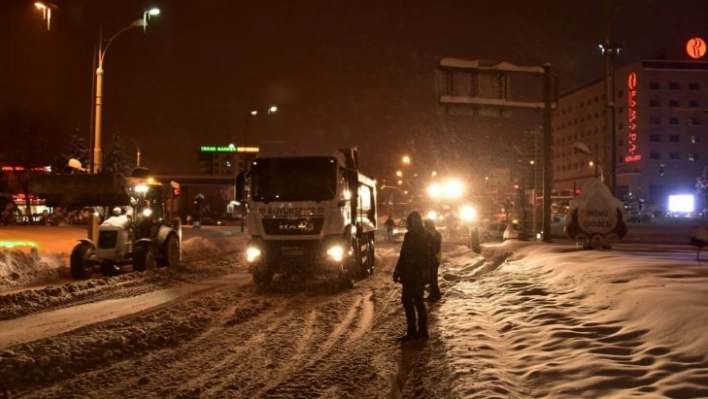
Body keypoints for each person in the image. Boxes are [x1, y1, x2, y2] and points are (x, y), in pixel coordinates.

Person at [393, 211, 436, 341]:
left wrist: (426, 273)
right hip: (409, 274)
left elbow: (430, 257)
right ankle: (414, 332)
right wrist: (398, 271)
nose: (409, 225)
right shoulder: (411, 236)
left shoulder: (427, 237)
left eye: (411, 222)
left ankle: (421, 331)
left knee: (416, 301)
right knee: (409, 301)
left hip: (417, 274)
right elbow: (403, 255)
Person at [424, 218, 442, 301]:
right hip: (431, 258)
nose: (425, 226)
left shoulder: (436, 234)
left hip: (434, 259)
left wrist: (432, 255)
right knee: (432, 277)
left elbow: (437, 247)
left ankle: (435, 295)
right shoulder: (431, 233)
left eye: (426, 225)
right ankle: (435, 294)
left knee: (432, 277)